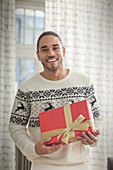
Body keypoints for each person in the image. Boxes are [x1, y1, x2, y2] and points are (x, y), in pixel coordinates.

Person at [9, 31, 103, 170]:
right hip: (42, 166)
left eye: (55, 48)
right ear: (38, 56)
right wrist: (34, 149)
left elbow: (97, 118)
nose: (51, 53)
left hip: (80, 165)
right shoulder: (27, 87)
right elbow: (15, 127)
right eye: (44, 50)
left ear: (63, 51)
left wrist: (94, 137)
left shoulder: (84, 82)